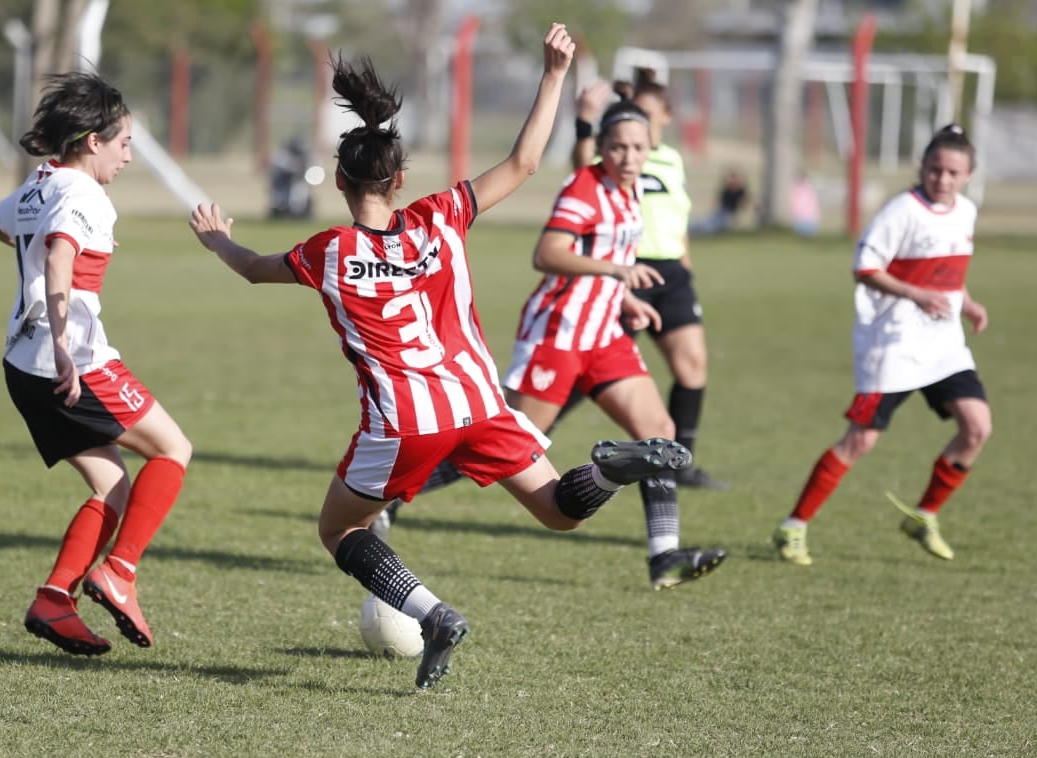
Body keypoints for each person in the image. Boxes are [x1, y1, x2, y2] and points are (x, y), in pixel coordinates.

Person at [188, 25, 693, 690]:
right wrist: (551, 76)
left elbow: (254, 268)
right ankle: (607, 469)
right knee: (559, 511)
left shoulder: (328, 250)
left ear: (340, 180)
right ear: (400, 179)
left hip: (403, 419)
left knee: (340, 527)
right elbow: (522, 164)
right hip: (479, 400)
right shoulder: (439, 215)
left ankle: (434, 615)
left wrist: (219, 241)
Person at [0, 71, 193, 656]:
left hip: (20, 364)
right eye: (123, 142)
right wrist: (62, 345)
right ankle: (119, 572)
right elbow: (59, 257)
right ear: (92, 141)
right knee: (174, 450)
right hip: (72, 361)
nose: (129, 155)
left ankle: (55, 600)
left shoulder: (41, 183)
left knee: (112, 486)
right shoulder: (83, 194)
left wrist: (59, 246)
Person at [501, 92, 729, 590]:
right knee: (506, 446)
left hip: (603, 333)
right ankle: (388, 503)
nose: (629, 157)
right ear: (602, 146)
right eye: (619, 147)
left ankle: (664, 555)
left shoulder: (630, 191)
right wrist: (617, 271)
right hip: (557, 333)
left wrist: (624, 298)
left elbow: (597, 257)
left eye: (638, 147)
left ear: (652, 148)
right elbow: (548, 254)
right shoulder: (584, 187)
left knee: (658, 431)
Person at [772, 124, 990, 565]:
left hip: (944, 344)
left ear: (968, 175)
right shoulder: (901, 212)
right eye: (935, 170)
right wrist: (916, 294)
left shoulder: (965, 212)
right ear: (922, 167)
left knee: (977, 428)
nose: (942, 180)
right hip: (893, 344)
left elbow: (948, 271)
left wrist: (966, 302)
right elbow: (864, 268)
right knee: (861, 441)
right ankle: (793, 526)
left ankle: (924, 514)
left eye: (952, 172)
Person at [566, 73, 729, 490]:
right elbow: (582, 167)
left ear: (667, 117)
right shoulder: (621, 160)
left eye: (650, 117)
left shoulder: (671, 160)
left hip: (672, 273)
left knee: (693, 365)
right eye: (636, 116)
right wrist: (585, 123)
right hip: (626, 271)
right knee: (587, 373)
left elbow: (678, 217)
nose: (642, 127)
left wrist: (686, 267)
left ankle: (681, 462)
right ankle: (532, 425)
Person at [689, 168, 749, 235]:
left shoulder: (740, 191)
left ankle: (694, 230)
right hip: (722, 211)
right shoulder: (727, 189)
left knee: (710, 226)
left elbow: (745, 203)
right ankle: (690, 228)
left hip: (729, 213)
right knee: (706, 221)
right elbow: (719, 201)